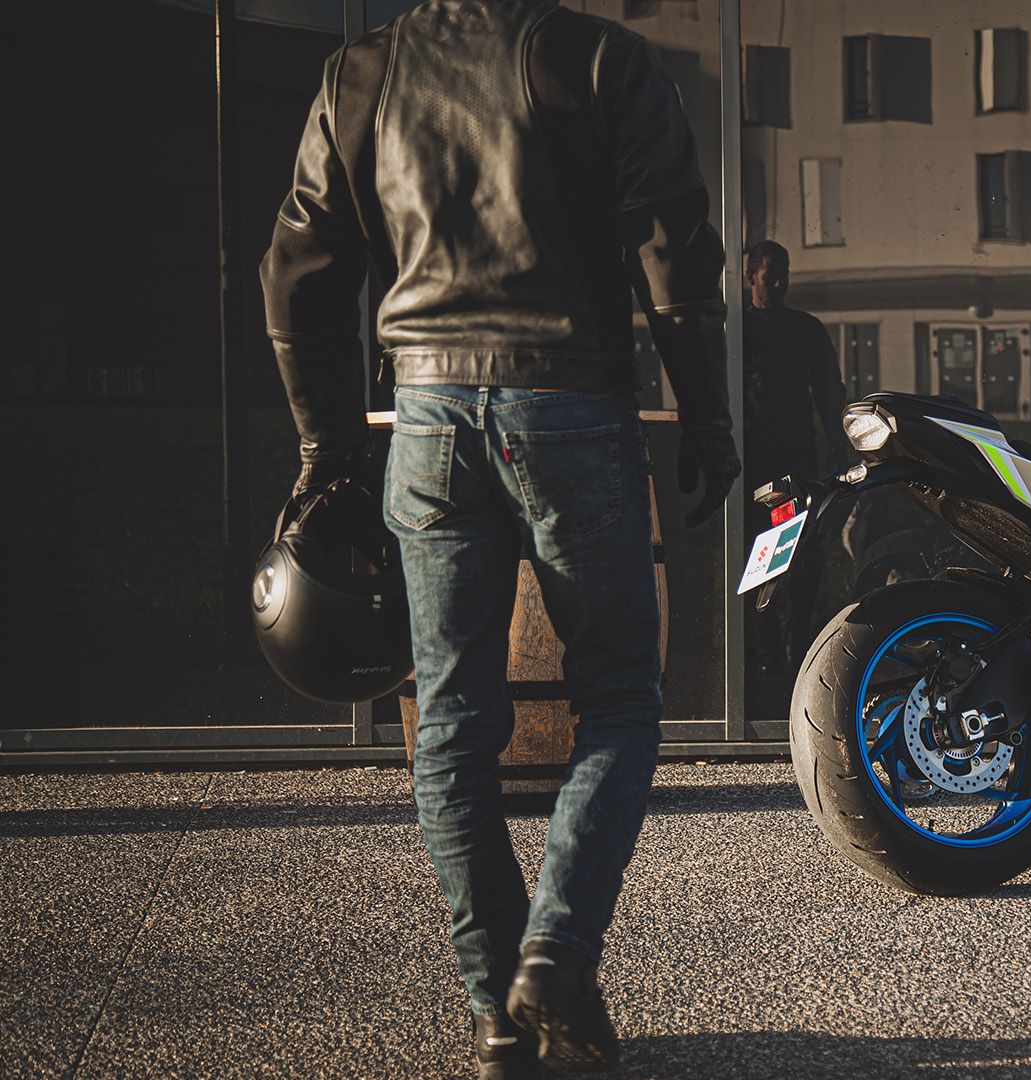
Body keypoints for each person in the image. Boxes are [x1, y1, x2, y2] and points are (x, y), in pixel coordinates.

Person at [259, 2, 737, 1076]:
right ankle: (555, 958)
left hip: (427, 415)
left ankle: (497, 1016)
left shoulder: (364, 71)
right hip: (571, 407)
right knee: (620, 699)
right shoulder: (601, 57)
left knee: (452, 728)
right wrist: (708, 420)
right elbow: (673, 252)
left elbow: (295, 267)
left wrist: (325, 447)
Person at [739, 241, 844, 714]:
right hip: (761, 462)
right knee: (764, 552)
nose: (779, 284)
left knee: (798, 552)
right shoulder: (742, 331)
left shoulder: (800, 330)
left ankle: (794, 642)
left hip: (790, 461)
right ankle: (771, 646)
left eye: (782, 275)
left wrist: (837, 448)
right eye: (770, 276)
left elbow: (829, 393)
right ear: (751, 276)